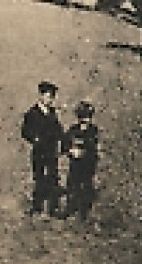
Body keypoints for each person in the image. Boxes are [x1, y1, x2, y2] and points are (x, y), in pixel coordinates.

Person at [21, 81, 66, 217]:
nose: (50, 100)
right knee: (39, 178)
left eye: (52, 97)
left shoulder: (52, 112)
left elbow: (58, 129)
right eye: (48, 96)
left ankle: (53, 208)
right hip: (39, 151)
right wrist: (34, 138)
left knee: (53, 177)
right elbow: (25, 131)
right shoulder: (32, 113)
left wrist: (62, 139)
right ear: (41, 96)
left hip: (51, 150)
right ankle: (37, 206)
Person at [61, 100, 101, 219]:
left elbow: (93, 148)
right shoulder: (73, 130)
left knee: (86, 185)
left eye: (88, 117)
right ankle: (70, 207)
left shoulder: (93, 131)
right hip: (75, 163)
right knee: (72, 184)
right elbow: (65, 144)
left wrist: (84, 153)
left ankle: (84, 210)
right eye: (83, 117)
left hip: (88, 163)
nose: (86, 120)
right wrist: (70, 151)